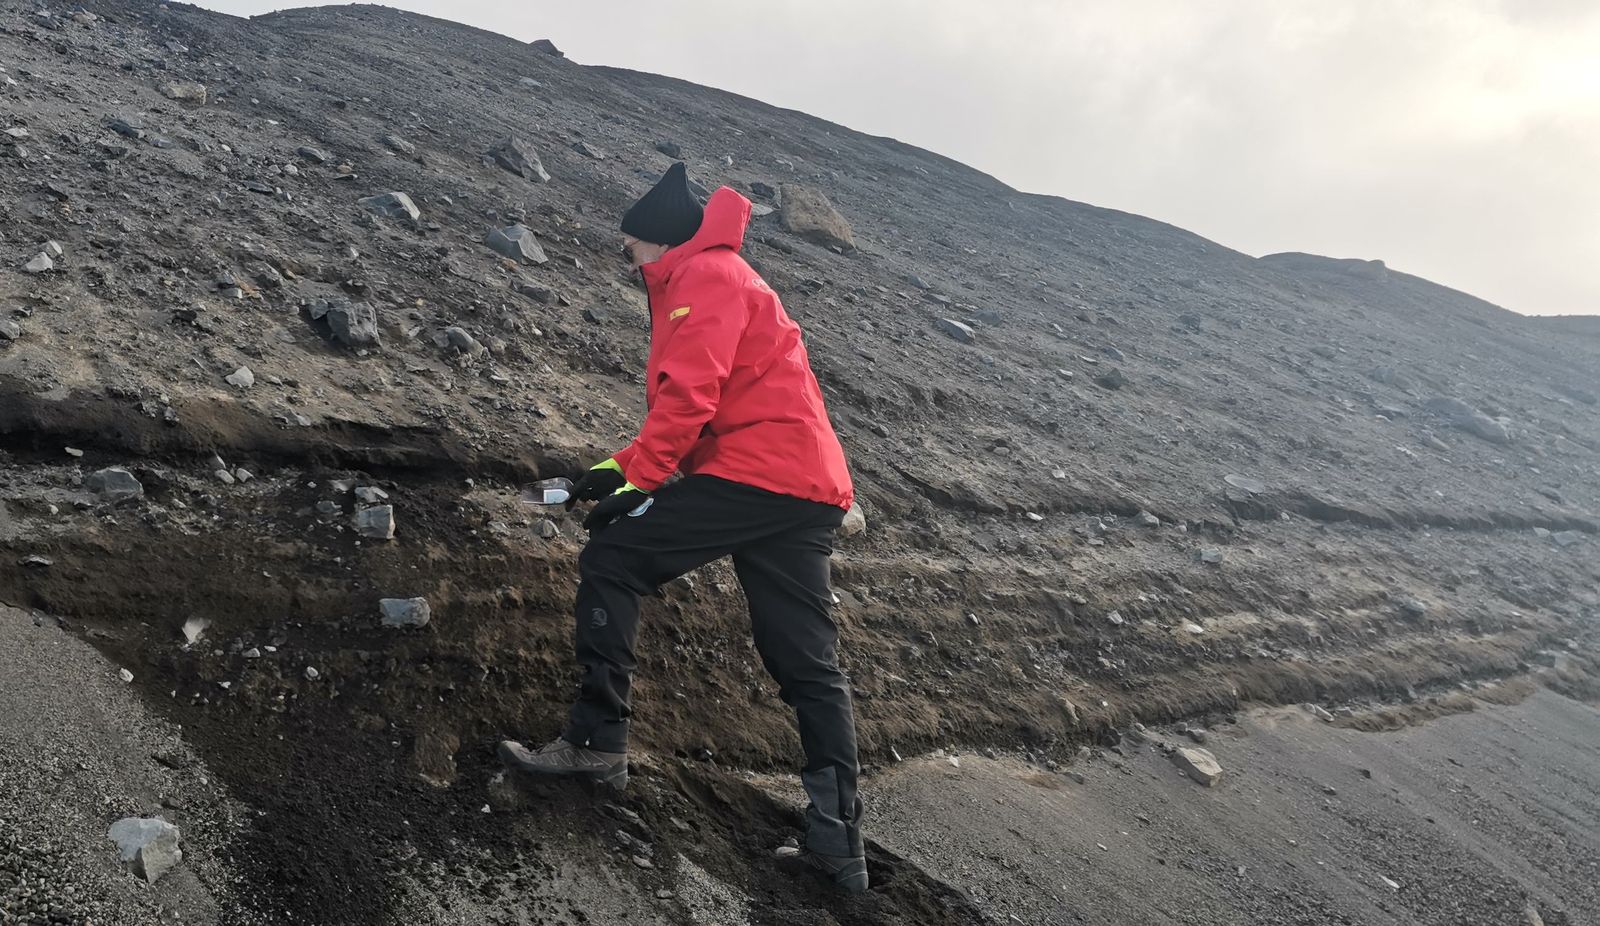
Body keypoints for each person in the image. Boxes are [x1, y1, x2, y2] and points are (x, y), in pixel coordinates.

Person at [497, 163, 867, 893]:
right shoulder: (724, 276)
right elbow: (698, 409)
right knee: (806, 664)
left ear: (661, 244)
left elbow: (690, 397)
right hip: (804, 483)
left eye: (632, 248)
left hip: (759, 472)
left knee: (615, 556)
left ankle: (596, 744)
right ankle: (838, 844)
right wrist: (610, 469)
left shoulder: (705, 279)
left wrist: (640, 481)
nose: (628, 261)